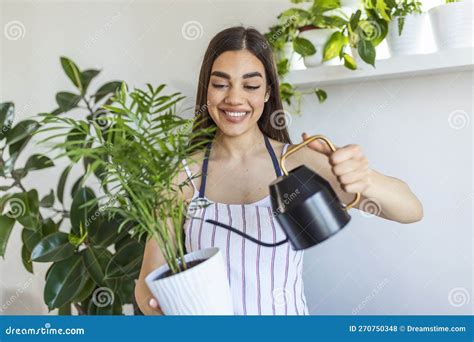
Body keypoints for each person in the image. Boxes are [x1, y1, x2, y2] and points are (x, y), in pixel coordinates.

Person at [135, 26, 423, 315]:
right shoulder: (183, 176)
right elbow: (150, 279)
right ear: (206, 89)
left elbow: (411, 210)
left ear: (267, 92)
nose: (234, 98)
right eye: (221, 84)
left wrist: (366, 180)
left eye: (250, 86)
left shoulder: (298, 162)